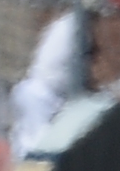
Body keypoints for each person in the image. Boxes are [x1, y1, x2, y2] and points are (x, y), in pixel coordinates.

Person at [9, 9, 84, 159]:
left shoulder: (72, 22)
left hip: (45, 93)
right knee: (39, 150)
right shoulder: (77, 24)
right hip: (43, 94)